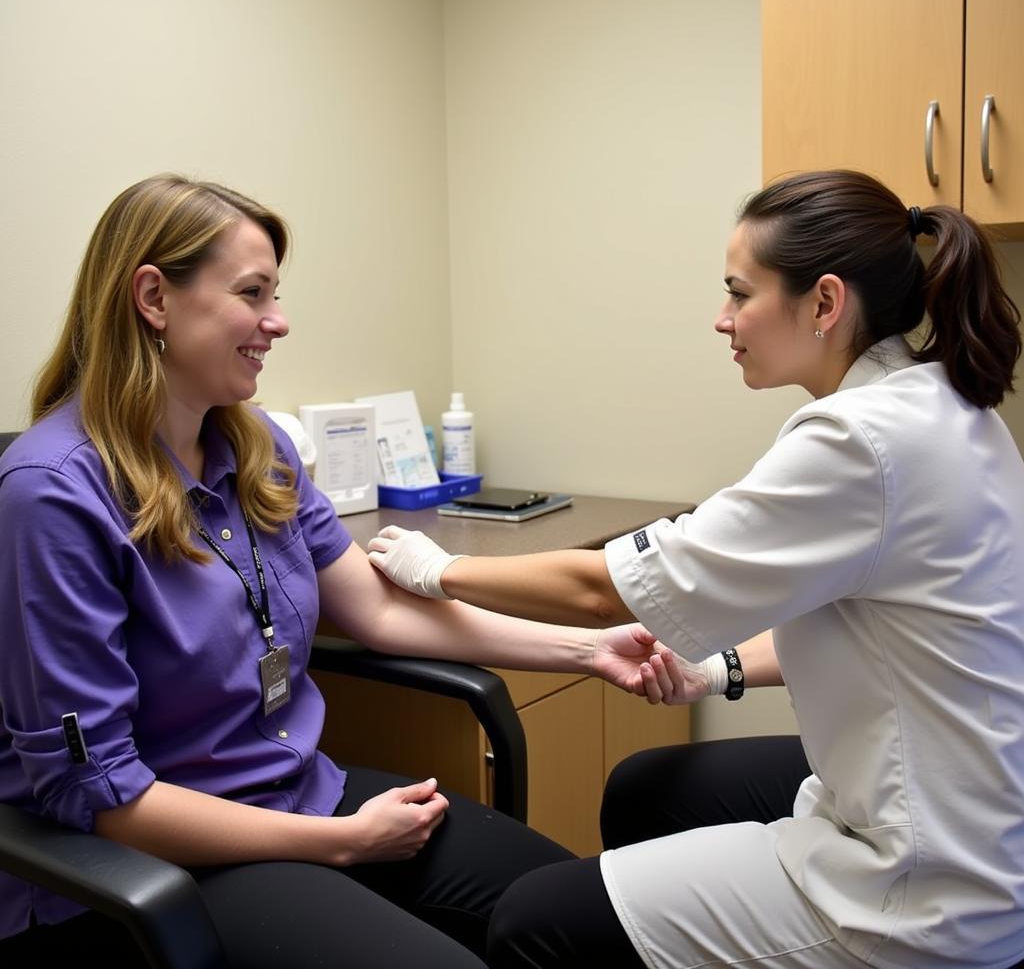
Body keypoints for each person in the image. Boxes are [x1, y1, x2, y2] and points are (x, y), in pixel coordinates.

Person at [0, 174, 668, 968]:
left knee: (580, 912)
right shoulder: (54, 495)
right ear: (154, 297)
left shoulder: (253, 448)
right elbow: (102, 797)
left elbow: (381, 612)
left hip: (300, 790)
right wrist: (340, 845)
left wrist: (586, 651)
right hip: (158, 859)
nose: (277, 322)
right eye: (253, 294)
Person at [367, 170, 1024, 969]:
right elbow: (878, 632)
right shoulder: (946, 406)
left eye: (739, 294)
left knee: (533, 920)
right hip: (974, 807)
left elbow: (599, 588)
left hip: (927, 887)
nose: (722, 320)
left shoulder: (860, 442)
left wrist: (442, 569)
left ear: (824, 303)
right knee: (646, 788)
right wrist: (717, 672)